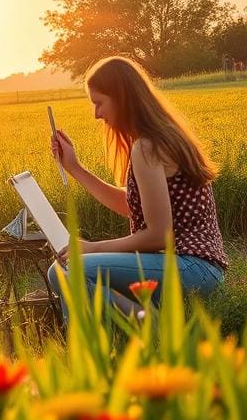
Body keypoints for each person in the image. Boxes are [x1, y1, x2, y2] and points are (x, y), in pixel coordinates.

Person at [48, 56, 228, 322]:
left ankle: (144, 327)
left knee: (70, 270)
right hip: (196, 268)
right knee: (60, 271)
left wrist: (93, 248)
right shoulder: (157, 138)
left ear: (122, 98)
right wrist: (74, 168)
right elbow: (131, 206)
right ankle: (143, 321)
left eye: (99, 103)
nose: (96, 114)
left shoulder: (148, 147)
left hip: (192, 268)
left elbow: (159, 236)